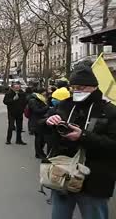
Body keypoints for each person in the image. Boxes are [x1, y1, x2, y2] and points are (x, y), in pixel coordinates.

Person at [46, 64, 116, 219]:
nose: (77, 91)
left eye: (82, 87)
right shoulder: (65, 105)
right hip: (63, 176)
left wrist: (83, 137)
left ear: (94, 87)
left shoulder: (109, 111)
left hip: (95, 181)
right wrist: (49, 122)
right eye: (74, 87)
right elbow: (43, 130)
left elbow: (112, 145)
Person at [27, 87, 50, 158]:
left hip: (41, 121)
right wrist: (47, 108)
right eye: (44, 92)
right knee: (39, 138)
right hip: (36, 121)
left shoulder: (43, 99)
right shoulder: (33, 100)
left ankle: (40, 152)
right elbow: (36, 110)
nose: (46, 93)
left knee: (42, 139)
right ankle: (39, 153)